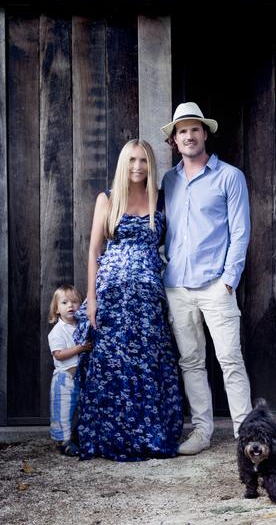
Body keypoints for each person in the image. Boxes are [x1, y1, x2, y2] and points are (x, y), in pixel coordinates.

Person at [74, 138, 184, 461]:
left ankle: (148, 434)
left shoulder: (161, 201)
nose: (138, 167)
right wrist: (91, 298)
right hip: (112, 295)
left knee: (148, 364)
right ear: (124, 163)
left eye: (144, 161)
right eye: (132, 160)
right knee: (112, 364)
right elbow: (94, 251)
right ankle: (109, 435)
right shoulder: (107, 200)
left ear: (151, 165)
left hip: (148, 299)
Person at [161, 101, 252, 455]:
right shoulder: (168, 181)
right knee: (191, 361)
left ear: (205, 134)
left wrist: (229, 279)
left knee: (230, 358)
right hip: (177, 287)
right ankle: (201, 431)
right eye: (182, 131)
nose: (188, 136)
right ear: (174, 140)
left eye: (194, 129)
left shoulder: (229, 176)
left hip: (216, 285)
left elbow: (240, 232)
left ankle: (246, 434)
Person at [47, 284, 92, 456]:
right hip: (64, 378)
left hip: (80, 377)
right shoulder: (57, 331)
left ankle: (77, 437)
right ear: (57, 309)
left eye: (75, 302)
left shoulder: (81, 326)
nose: (70, 306)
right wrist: (80, 348)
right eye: (65, 303)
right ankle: (62, 441)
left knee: (82, 409)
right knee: (62, 410)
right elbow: (59, 354)